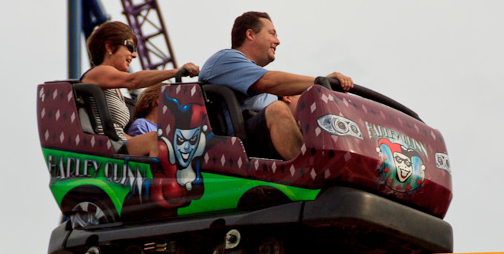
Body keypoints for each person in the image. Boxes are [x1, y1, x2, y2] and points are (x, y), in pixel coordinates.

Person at [199, 11, 354, 160]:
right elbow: (270, 81)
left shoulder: (265, 88)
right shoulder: (225, 60)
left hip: (263, 137)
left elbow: (289, 98)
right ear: (250, 34)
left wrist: (331, 94)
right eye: (272, 34)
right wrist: (320, 82)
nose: (277, 41)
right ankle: (308, 172)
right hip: (237, 146)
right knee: (278, 109)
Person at [82, 21, 198, 159]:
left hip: (117, 143)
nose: (134, 55)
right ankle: (162, 179)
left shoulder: (113, 87)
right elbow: (133, 80)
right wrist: (176, 71)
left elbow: (116, 131)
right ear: (110, 47)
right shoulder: (98, 73)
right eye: (130, 47)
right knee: (158, 139)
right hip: (106, 148)